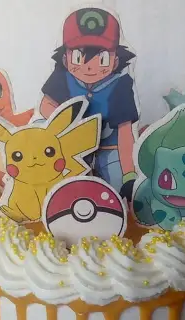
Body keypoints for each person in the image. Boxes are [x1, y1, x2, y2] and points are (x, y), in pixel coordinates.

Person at [39, 8, 139, 199]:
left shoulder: (120, 85)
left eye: (102, 58)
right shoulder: (62, 77)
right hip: (71, 148)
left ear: (116, 59)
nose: (90, 67)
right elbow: (46, 106)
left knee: (117, 191)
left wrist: (129, 174)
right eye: (78, 57)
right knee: (66, 191)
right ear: (65, 58)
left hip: (109, 149)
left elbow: (125, 132)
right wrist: (69, 125)